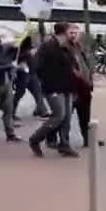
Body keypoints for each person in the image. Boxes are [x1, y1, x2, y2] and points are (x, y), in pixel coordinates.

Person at [29, 22, 80, 158]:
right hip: (53, 88)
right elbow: (38, 67)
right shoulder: (48, 46)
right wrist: (49, 85)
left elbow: (72, 67)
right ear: (64, 32)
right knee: (59, 116)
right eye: (71, 31)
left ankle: (64, 144)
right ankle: (35, 139)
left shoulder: (68, 46)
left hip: (67, 87)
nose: (74, 34)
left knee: (67, 117)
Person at [12, 34, 50, 119]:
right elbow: (16, 59)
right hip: (23, 75)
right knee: (19, 93)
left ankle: (42, 110)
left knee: (37, 92)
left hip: (32, 73)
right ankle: (10, 112)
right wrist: (27, 54)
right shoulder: (18, 49)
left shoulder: (33, 48)